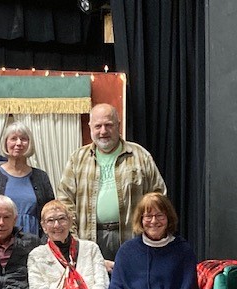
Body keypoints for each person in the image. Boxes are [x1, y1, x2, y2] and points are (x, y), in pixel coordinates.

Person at [57, 103, 167, 271]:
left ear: (118, 125)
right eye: (98, 126)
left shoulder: (140, 156)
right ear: (90, 127)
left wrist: (149, 234)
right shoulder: (77, 159)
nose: (103, 131)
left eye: (108, 125)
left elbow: (159, 198)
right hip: (89, 241)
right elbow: (64, 202)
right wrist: (74, 241)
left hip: (132, 239)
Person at [0, 121, 54, 237]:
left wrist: (44, 243)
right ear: (6, 143)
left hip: (35, 243)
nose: (19, 143)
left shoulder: (41, 177)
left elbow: (50, 213)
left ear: (30, 144)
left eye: (23, 139)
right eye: (13, 138)